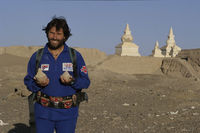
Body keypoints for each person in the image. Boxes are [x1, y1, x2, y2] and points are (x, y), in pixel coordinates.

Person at [24, 16, 90, 133]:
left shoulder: (74, 56)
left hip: (67, 114)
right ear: (47, 34)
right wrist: (38, 84)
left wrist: (72, 81)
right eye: (51, 33)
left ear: (65, 36)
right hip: (43, 113)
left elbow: (85, 81)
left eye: (58, 34)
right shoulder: (38, 56)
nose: (54, 37)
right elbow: (28, 81)